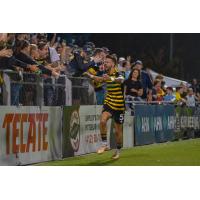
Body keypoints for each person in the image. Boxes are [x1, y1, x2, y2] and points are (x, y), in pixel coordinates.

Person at [84, 55, 125, 160]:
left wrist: (110, 78)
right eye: (105, 62)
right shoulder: (105, 74)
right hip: (109, 102)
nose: (105, 64)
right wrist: (90, 76)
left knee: (117, 132)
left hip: (119, 105)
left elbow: (121, 79)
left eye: (107, 62)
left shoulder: (118, 73)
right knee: (102, 121)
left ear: (113, 64)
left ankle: (118, 150)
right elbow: (100, 79)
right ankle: (104, 144)